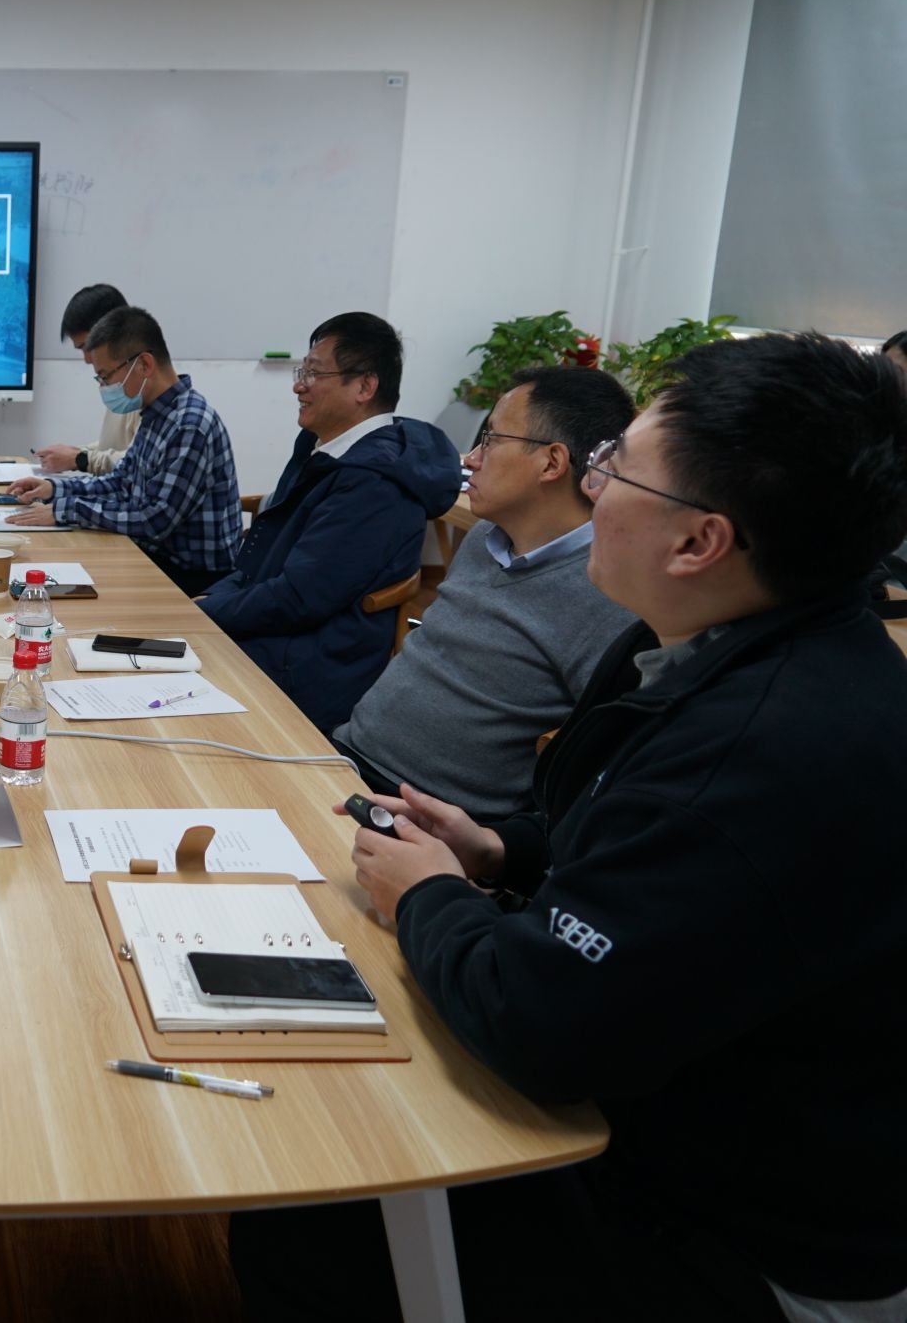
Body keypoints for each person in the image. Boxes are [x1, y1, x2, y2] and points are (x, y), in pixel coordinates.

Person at [232, 333, 907, 1323]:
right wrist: (502, 848)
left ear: (697, 542)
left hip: (738, 1241)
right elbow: (629, 851)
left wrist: (426, 894)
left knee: (306, 1210)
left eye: (614, 469)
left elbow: (539, 1019)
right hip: (669, 1108)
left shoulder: (759, 749)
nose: (593, 490)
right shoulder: (734, 643)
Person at [330, 366, 636, 817]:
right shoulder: (485, 538)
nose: (471, 458)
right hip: (344, 756)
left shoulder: (609, 594)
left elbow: (598, 764)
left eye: (490, 440)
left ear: (552, 462)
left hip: (430, 819)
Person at [197, 312, 461, 730]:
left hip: (302, 669)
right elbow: (261, 564)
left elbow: (298, 598)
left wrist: (204, 612)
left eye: (314, 373)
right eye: (302, 371)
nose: (298, 385)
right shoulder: (326, 449)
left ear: (365, 387)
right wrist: (208, 602)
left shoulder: (372, 482)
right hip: (273, 634)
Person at [3, 306, 241, 596]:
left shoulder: (189, 425)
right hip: (153, 559)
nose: (104, 387)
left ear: (144, 365)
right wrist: (54, 489)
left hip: (190, 579)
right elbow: (120, 482)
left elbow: (154, 520)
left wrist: (66, 510)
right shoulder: (157, 415)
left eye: (105, 377)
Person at [34, 283, 134, 476]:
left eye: (88, 347)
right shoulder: (119, 378)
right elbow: (114, 446)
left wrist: (78, 459)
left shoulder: (142, 383)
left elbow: (138, 462)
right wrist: (75, 453)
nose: (87, 360)